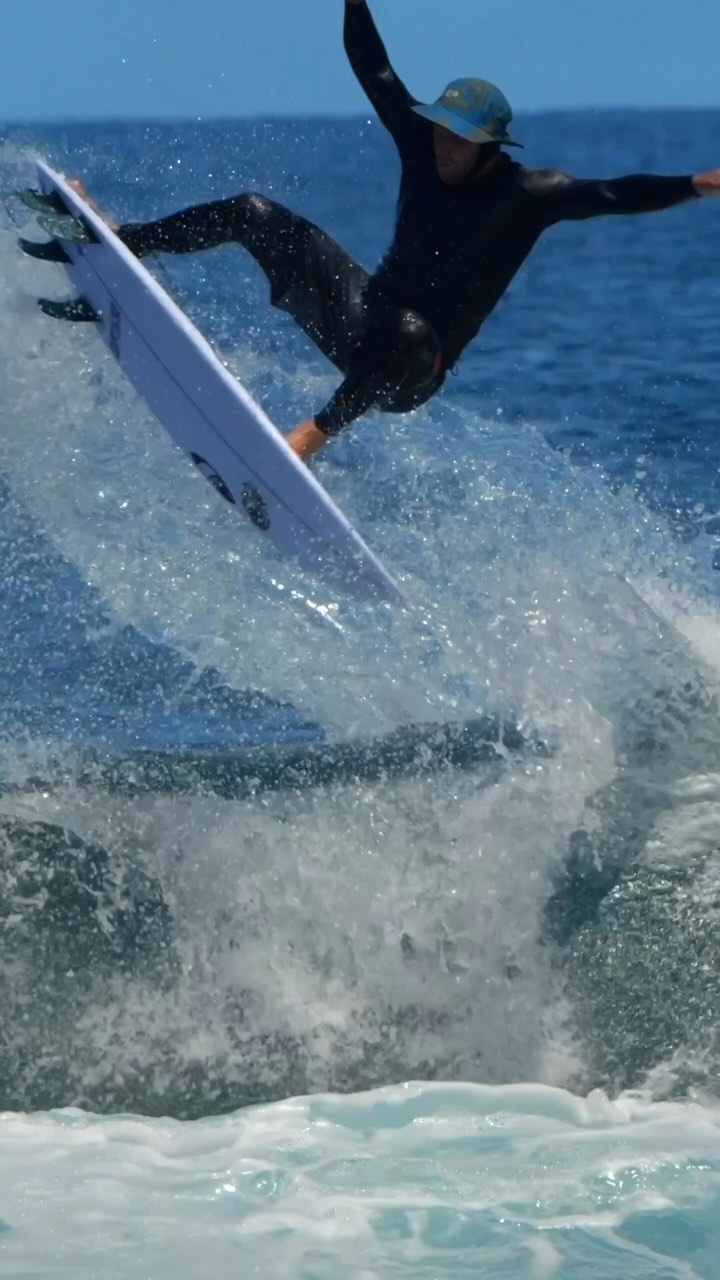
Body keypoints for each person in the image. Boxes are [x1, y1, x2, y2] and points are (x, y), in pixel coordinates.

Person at [75, 0, 720, 463]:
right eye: (439, 128)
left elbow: (612, 193)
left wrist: (694, 184)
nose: (442, 144)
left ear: (490, 146)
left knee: (410, 333)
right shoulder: (420, 143)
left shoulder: (527, 195)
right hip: (361, 318)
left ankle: (310, 440)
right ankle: (123, 241)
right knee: (255, 211)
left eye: (458, 139)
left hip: (414, 368)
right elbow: (372, 68)